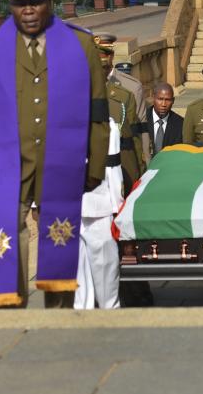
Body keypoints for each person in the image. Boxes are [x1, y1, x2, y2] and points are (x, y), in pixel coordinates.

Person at [0, 0, 110, 309]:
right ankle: (10, 310)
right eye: (19, 4)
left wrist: (95, 165)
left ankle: (57, 315)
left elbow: (98, 111)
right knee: (8, 237)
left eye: (35, 2)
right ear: (10, 5)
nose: (28, 10)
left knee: (60, 239)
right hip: (5, 164)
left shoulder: (80, 45)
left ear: (50, 1)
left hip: (60, 163)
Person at [75, 41, 135, 310]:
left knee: (105, 269)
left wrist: (117, 203)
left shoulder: (107, 125)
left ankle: (110, 311)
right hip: (68, 207)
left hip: (99, 205)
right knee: (77, 276)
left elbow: (112, 167)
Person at [96, 39, 145, 190]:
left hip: (121, 168)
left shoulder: (124, 96)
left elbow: (134, 138)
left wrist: (140, 170)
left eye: (103, 67)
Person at [147, 82, 183, 156]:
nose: (163, 104)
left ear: (173, 101)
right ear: (153, 98)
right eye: (160, 99)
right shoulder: (142, 119)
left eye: (168, 100)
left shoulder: (180, 124)